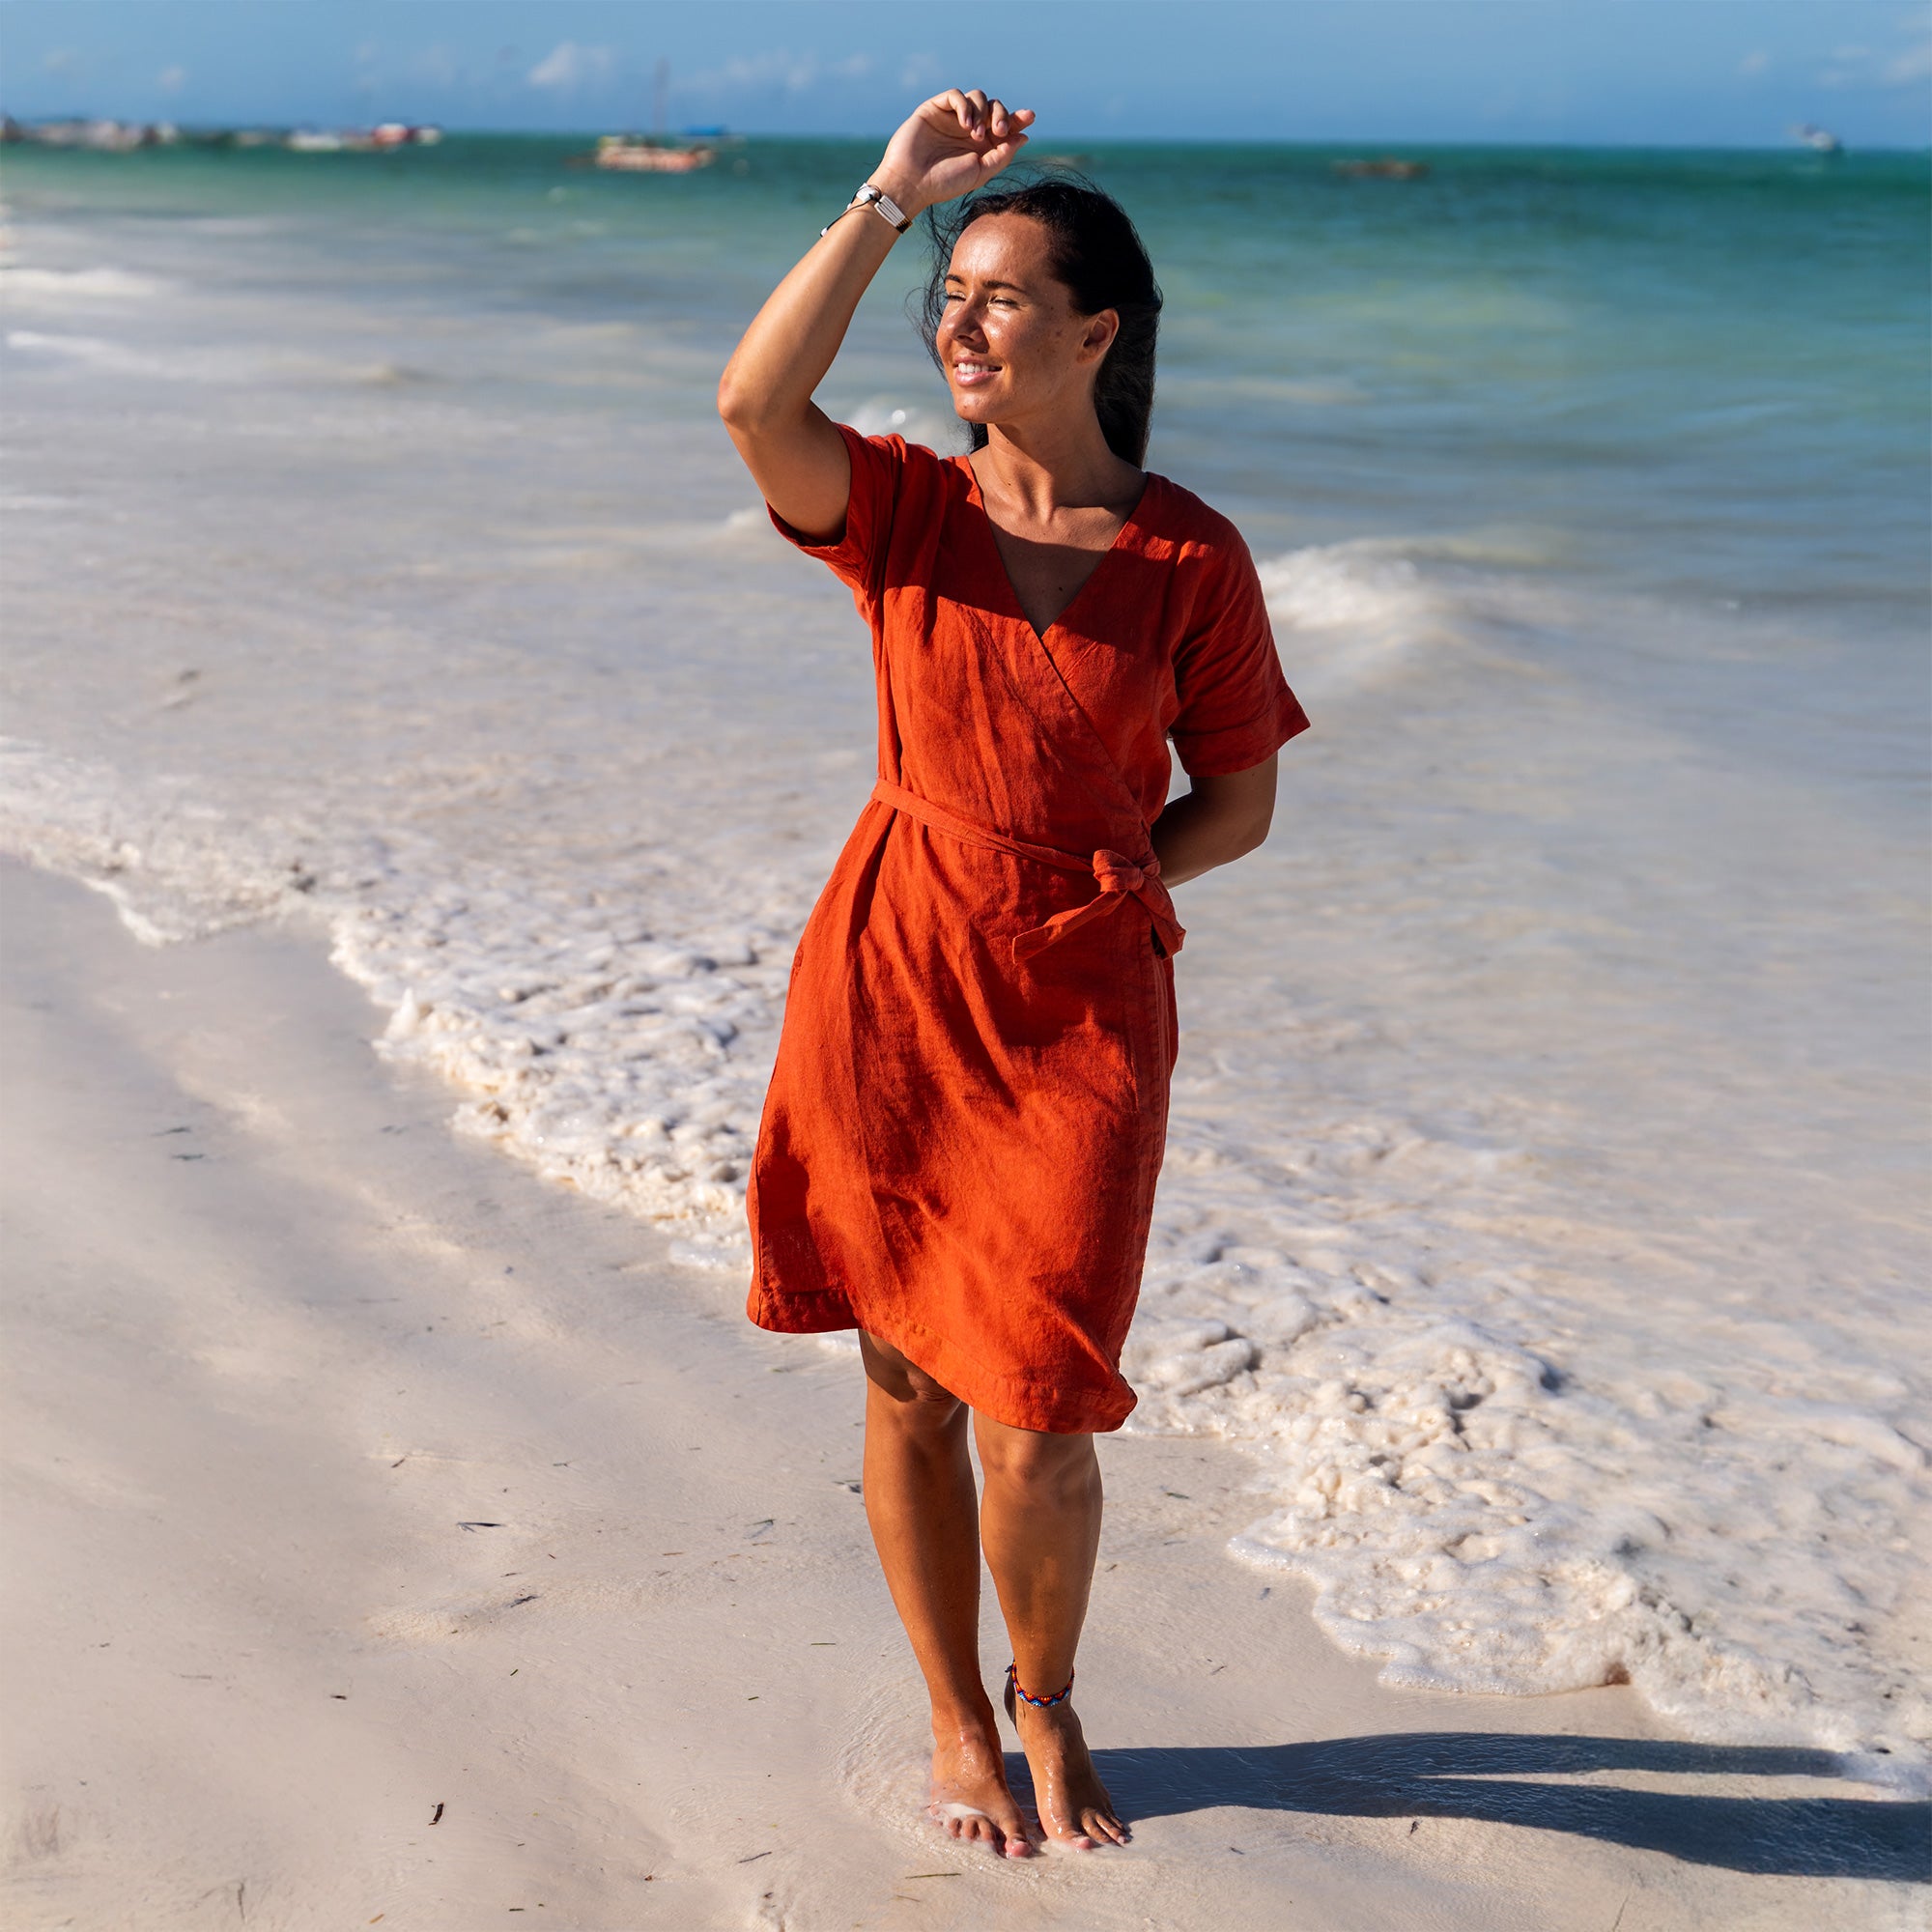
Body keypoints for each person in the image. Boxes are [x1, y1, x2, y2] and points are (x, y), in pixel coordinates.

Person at [717, 88, 1308, 1858]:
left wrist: (1110, 894)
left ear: (1096, 331)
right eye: (945, 295)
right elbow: (755, 403)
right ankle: (954, 1718)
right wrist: (892, 195)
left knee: (1040, 1400)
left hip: (1079, 1010)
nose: (959, 324)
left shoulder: (1190, 555)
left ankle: (1049, 1700)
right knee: (902, 1370)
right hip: (889, 979)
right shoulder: (900, 509)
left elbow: (1245, 802)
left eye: (998, 296)